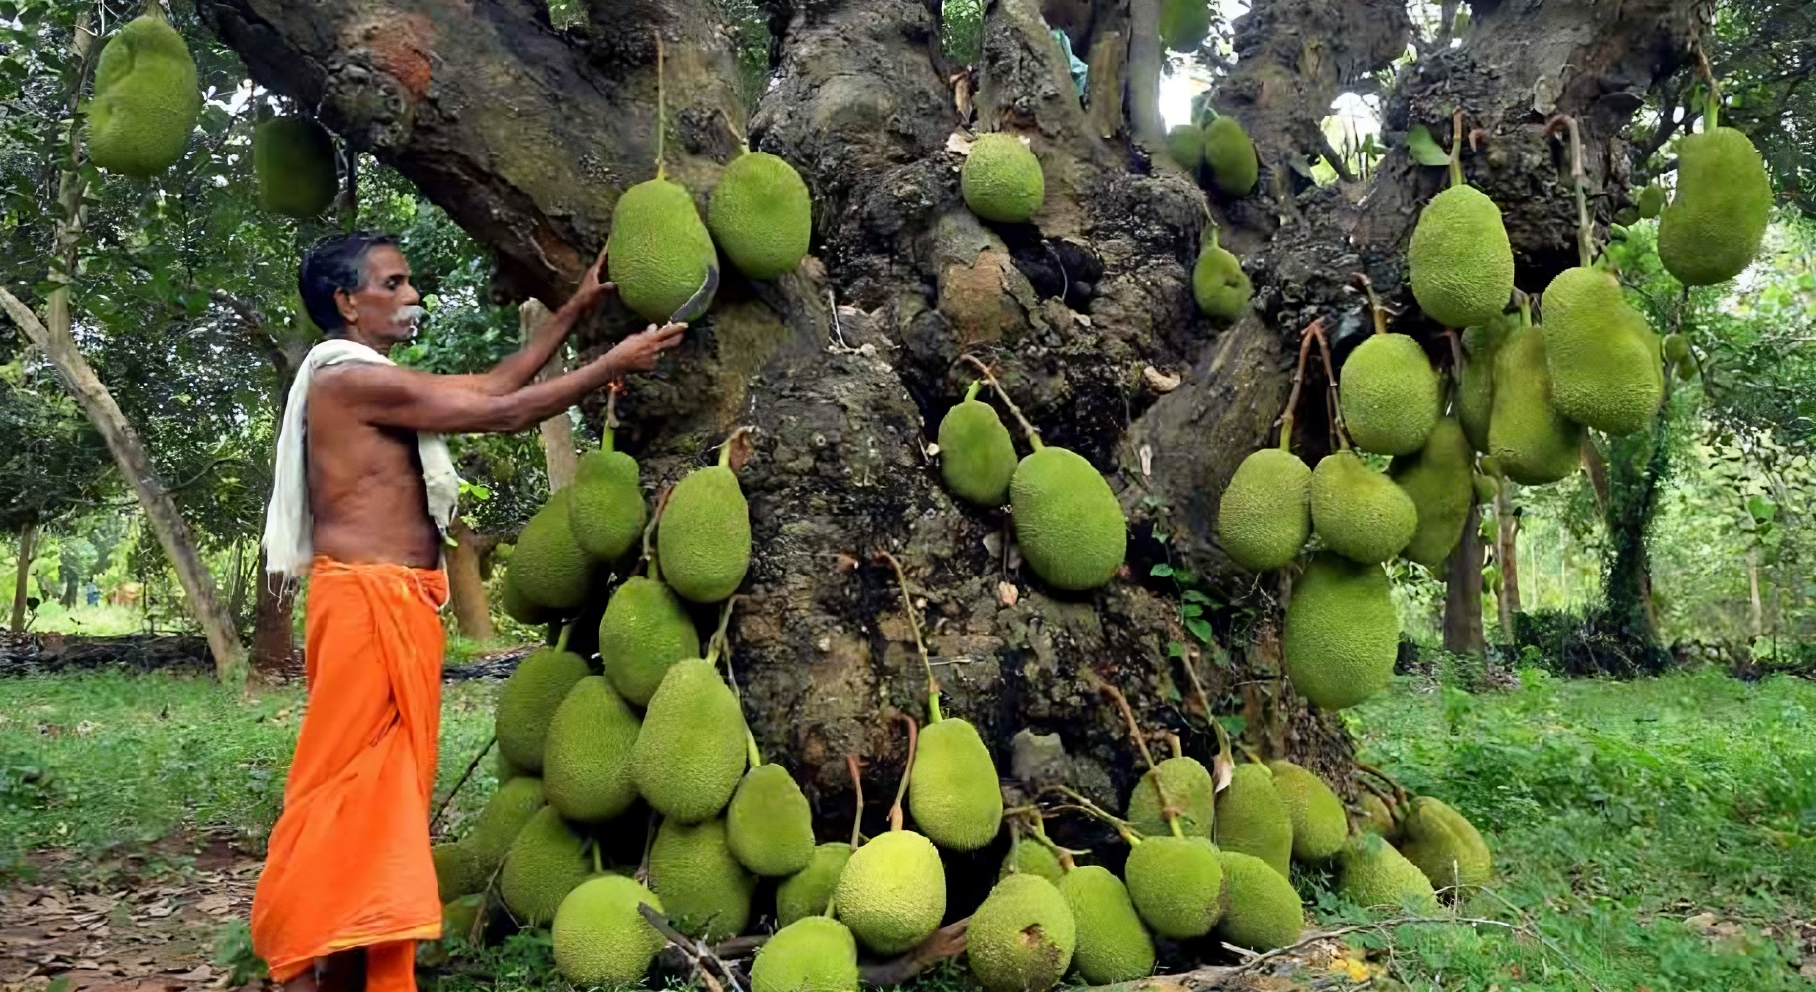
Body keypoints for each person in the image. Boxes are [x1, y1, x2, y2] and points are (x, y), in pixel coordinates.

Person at [252, 231, 684, 992]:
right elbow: (505, 415)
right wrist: (609, 365)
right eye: (395, 283)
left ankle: (352, 963)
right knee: (342, 787)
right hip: (364, 604)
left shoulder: (374, 377)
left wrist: (572, 310)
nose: (412, 295)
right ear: (348, 302)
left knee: (385, 796)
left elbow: (490, 386)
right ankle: (303, 952)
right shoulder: (346, 379)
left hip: (400, 604)